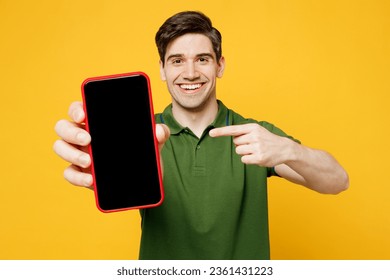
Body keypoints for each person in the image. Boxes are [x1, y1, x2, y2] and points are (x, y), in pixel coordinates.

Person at [53, 10, 349, 260]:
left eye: (203, 59)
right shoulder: (144, 134)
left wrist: (289, 150)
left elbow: (338, 181)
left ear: (220, 65)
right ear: (163, 69)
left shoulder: (253, 134)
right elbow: (113, 183)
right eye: (177, 60)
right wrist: (99, 169)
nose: (191, 73)